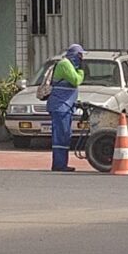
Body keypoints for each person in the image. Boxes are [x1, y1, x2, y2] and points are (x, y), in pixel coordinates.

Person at [47, 44, 85, 172]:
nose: (81, 58)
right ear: (74, 54)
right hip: (60, 106)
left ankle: (61, 163)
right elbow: (76, 80)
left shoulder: (69, 65)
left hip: (65, 106)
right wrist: (81, 71)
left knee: (65, 135)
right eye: (80, 55)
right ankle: (59, 164)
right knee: (60, 136)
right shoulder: (65, 64)